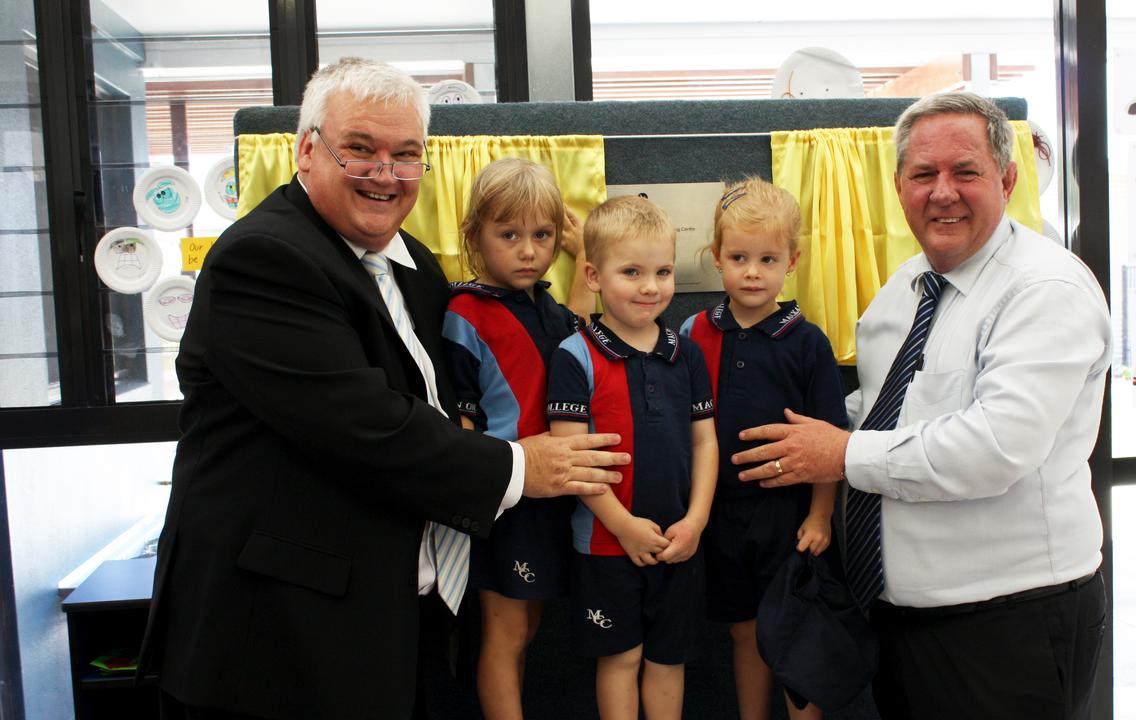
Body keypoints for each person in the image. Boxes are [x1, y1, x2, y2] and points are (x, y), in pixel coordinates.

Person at [138, 57, 629, 720]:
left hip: (393, 626)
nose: (385, 173)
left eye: (406, 155)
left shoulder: (414, 266)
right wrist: (522, 464)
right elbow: (365, 427)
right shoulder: (265, 258)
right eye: (360, 150)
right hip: (276, 651)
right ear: (307, 150)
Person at [732, 92, 1110, 720]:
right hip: (902, 624)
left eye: (966, 172)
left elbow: (995, 448)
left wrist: (840, 453)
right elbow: (882, 406)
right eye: (923, 175)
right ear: (899, 185)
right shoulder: (905, 286)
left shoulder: (1046, 289)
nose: (943, 192)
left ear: (1008, 179)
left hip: (1008, 625)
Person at [679, 177, 847, 720]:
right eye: (740, 257)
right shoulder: (692, 332)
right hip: (721, 515)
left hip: (788, 516)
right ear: (717, 258)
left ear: (792, 261)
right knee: (744, 631)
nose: (753, 271)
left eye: (768, 258)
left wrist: (821, 517)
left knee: (798, 635)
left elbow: (830, 441)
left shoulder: (808, 342)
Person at [547, 195, 718, 720]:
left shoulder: (685, 351)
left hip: (678, 542)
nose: (651, 286)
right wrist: (623, 526)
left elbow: (704, 441)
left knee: (669, 661)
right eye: (632, 272)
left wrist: (696, 521)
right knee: (621, 658)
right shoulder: (574, 355)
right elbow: (570, 458)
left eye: (663, 271)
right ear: (594, 276)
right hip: (605, 545)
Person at [440, 158, 593, 720]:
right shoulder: (465, 311)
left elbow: (575, 344)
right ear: (475, 234)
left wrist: (583, 259)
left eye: (542, 235)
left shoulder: (545, 304)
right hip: (507, 500)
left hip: (553, 492)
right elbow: (462, 419)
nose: (528, 250)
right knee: (505, 634)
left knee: (526, 629)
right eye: (509, 235)